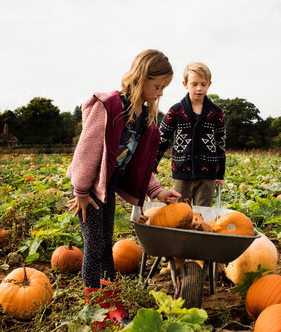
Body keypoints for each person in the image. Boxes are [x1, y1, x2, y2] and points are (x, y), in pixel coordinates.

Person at [66, 49, 181, 328]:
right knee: (94, 247)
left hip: (107, 189)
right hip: (88, 191)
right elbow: (87, 150)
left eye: (164, 88)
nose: (161, 93)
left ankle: (111, 301)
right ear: (142, 78)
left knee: (106, 245)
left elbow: (138, 164)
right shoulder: (109, 107)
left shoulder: (142, 118)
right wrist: (81, 191)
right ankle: (94, 312)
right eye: (158, 86)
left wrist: (157, 191)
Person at [157, 61, 226, 206]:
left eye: (203, 84)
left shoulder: (216, 113)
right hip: (182, 171)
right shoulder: (175, 111)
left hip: (207, 174)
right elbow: (161, 140)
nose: (199, 88)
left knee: (203, 214)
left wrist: (220, 174)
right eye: (194, 84)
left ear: (209, 84)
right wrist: (151, 166)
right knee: (180, 213)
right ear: (185, 84)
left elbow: (220, 143)